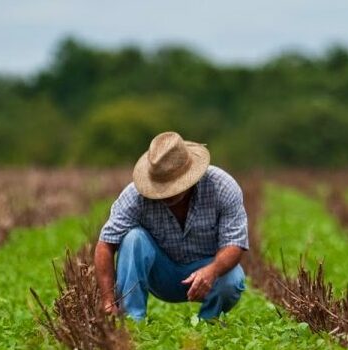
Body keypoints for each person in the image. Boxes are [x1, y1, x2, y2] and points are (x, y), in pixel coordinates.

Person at [95, 131, 248, 321]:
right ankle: (132, 321)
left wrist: (212, 270)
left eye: (173, 186)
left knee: (232, 279)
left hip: (206, 270)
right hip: (161, 275)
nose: (167, 194)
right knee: (133, 238)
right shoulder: (135, 196)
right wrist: (108, 301)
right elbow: (105, 244)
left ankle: (209, 323)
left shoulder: (222, 187)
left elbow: (235, 243)